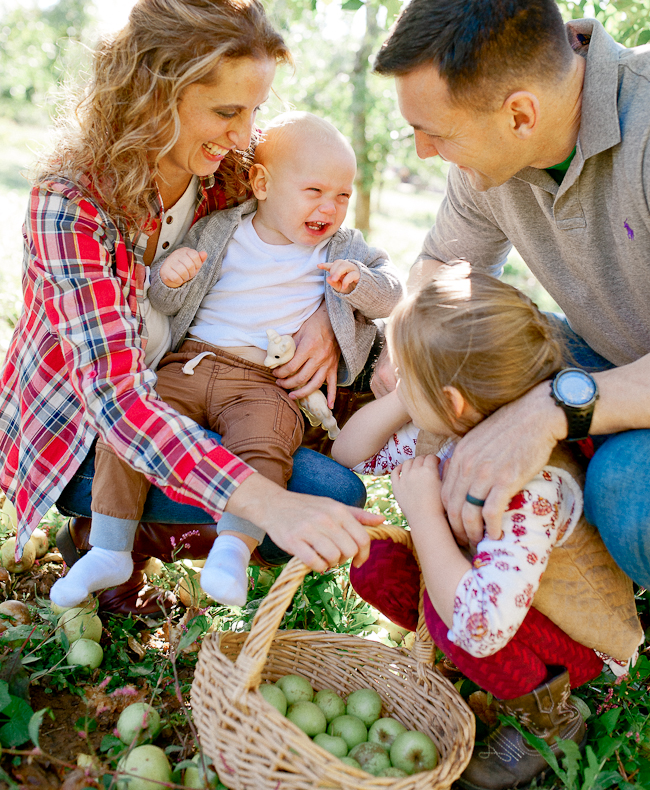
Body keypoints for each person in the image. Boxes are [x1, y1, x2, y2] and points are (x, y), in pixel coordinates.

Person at [0, 0, 382, 616]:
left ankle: (139, 534)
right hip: (91, 431)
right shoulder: (72, 208)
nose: (244, 135)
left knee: (329, 488)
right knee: (308, 496)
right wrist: (268, 503)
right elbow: (119, 403)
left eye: (255, 111)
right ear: (151, 95)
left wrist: (325, 312)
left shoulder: (228, 174)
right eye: (228, 111)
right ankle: (102, 532)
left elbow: (305, 241)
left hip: (200, 385)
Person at [370, 0, 650, 604]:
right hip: (611, 362)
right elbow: (441, 274)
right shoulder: (487, 164)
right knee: (472, 359)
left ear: (520, 114)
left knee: (634, 499)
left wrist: (553, 407)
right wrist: (410, 360)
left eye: (434, 132)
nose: (422, 151)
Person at [49, 112, 402, 609]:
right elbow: (170, 305)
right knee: (130, 434)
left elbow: (391, 295)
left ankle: (234, 548)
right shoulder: (220, 231)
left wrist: (357, 284)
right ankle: (108, 546)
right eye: (315, 191)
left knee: (265, 446)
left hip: (263, 382)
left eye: (343, 195)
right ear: (261, 183)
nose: (331, 207)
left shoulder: (343, 247)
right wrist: (167, 278)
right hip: (191, 363)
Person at [333, 265, 642, 790]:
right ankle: (480, 675)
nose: (398, 385)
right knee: (374, 561)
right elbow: (349, 454)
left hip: (572, 643)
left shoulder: (532, 487)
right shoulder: (450, 431)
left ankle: (548, 717)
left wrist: (425, 515)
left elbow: (479, 625)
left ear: (453, 402)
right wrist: (409, 397)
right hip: (498, 603)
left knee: (450, 615)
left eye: (405, 376)